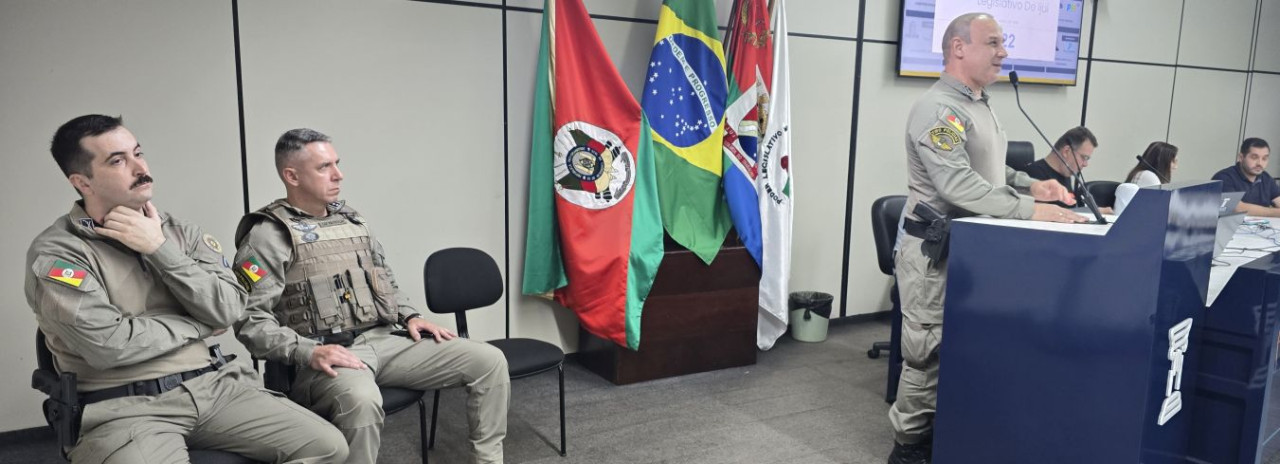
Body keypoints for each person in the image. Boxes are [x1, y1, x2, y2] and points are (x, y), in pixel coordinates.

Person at [25, 115, 348, 464]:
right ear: (82, 182)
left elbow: (229, 308)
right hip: (124, 408)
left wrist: (159, 248)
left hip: (216, 386)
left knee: (328, 447)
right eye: (118, 161)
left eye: (138, 153)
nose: (139, 168)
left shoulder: (180, 232)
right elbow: (110, 346)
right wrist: (201, 324)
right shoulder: (58, 253)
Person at [233, 128, 510, 464]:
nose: (339, 174)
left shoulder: (352, 221)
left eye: (337, 163)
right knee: (362, 400)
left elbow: (384, 279)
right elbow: (250, 321)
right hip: (324, 356)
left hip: (384, 342)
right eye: (324, 167)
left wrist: (410, 316)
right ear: (291, 176)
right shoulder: (266, 237)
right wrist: (308, 351)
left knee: (488, 360)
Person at [887, 13, 1086, 464]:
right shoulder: (940, 110)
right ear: (959, 48)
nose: (1004, 52)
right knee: (927, 354)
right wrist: (1034, 210)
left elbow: (987, 170)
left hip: (973, 253)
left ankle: (945, 433)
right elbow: (956, 185)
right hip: (933, 255)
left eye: (1004, 42)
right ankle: (908, 448)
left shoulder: (978, 104)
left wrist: (1030, 184)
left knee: (964, 347)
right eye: (993, 42)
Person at [1020, 126, 1098, 199]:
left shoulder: (1065, 173)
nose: (1085, 164)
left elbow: (1071, 209)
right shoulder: (1033, 174)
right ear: (1066, 151)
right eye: (1084, 157)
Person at [1212, 138, 1280, 217]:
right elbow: (1236, 208)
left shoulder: (1266, 178)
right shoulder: (1224, 177)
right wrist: (1275, 212)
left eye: (1264, 158)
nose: (1260, 163)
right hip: (1230, 228)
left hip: (1259, 227)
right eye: (1254, 157)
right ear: (1241, 157)